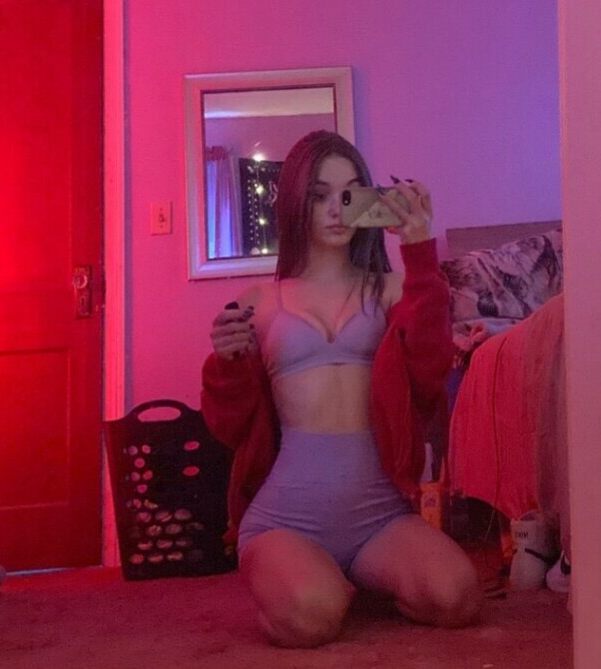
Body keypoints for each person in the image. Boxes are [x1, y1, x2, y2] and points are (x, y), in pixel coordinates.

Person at [201, 130, 482, 648]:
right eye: (319, 195)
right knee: (312, 617)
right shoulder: (259, 301)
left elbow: (430, 374)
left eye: (350, 193)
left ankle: (355, 575)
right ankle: (312, 579)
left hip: (379, 517)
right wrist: (225, 364)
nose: (336, 209)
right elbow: (229, 427)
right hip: (285, 519)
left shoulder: (393, 289)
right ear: (295, 202)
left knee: (458, 597)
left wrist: (418, 249)